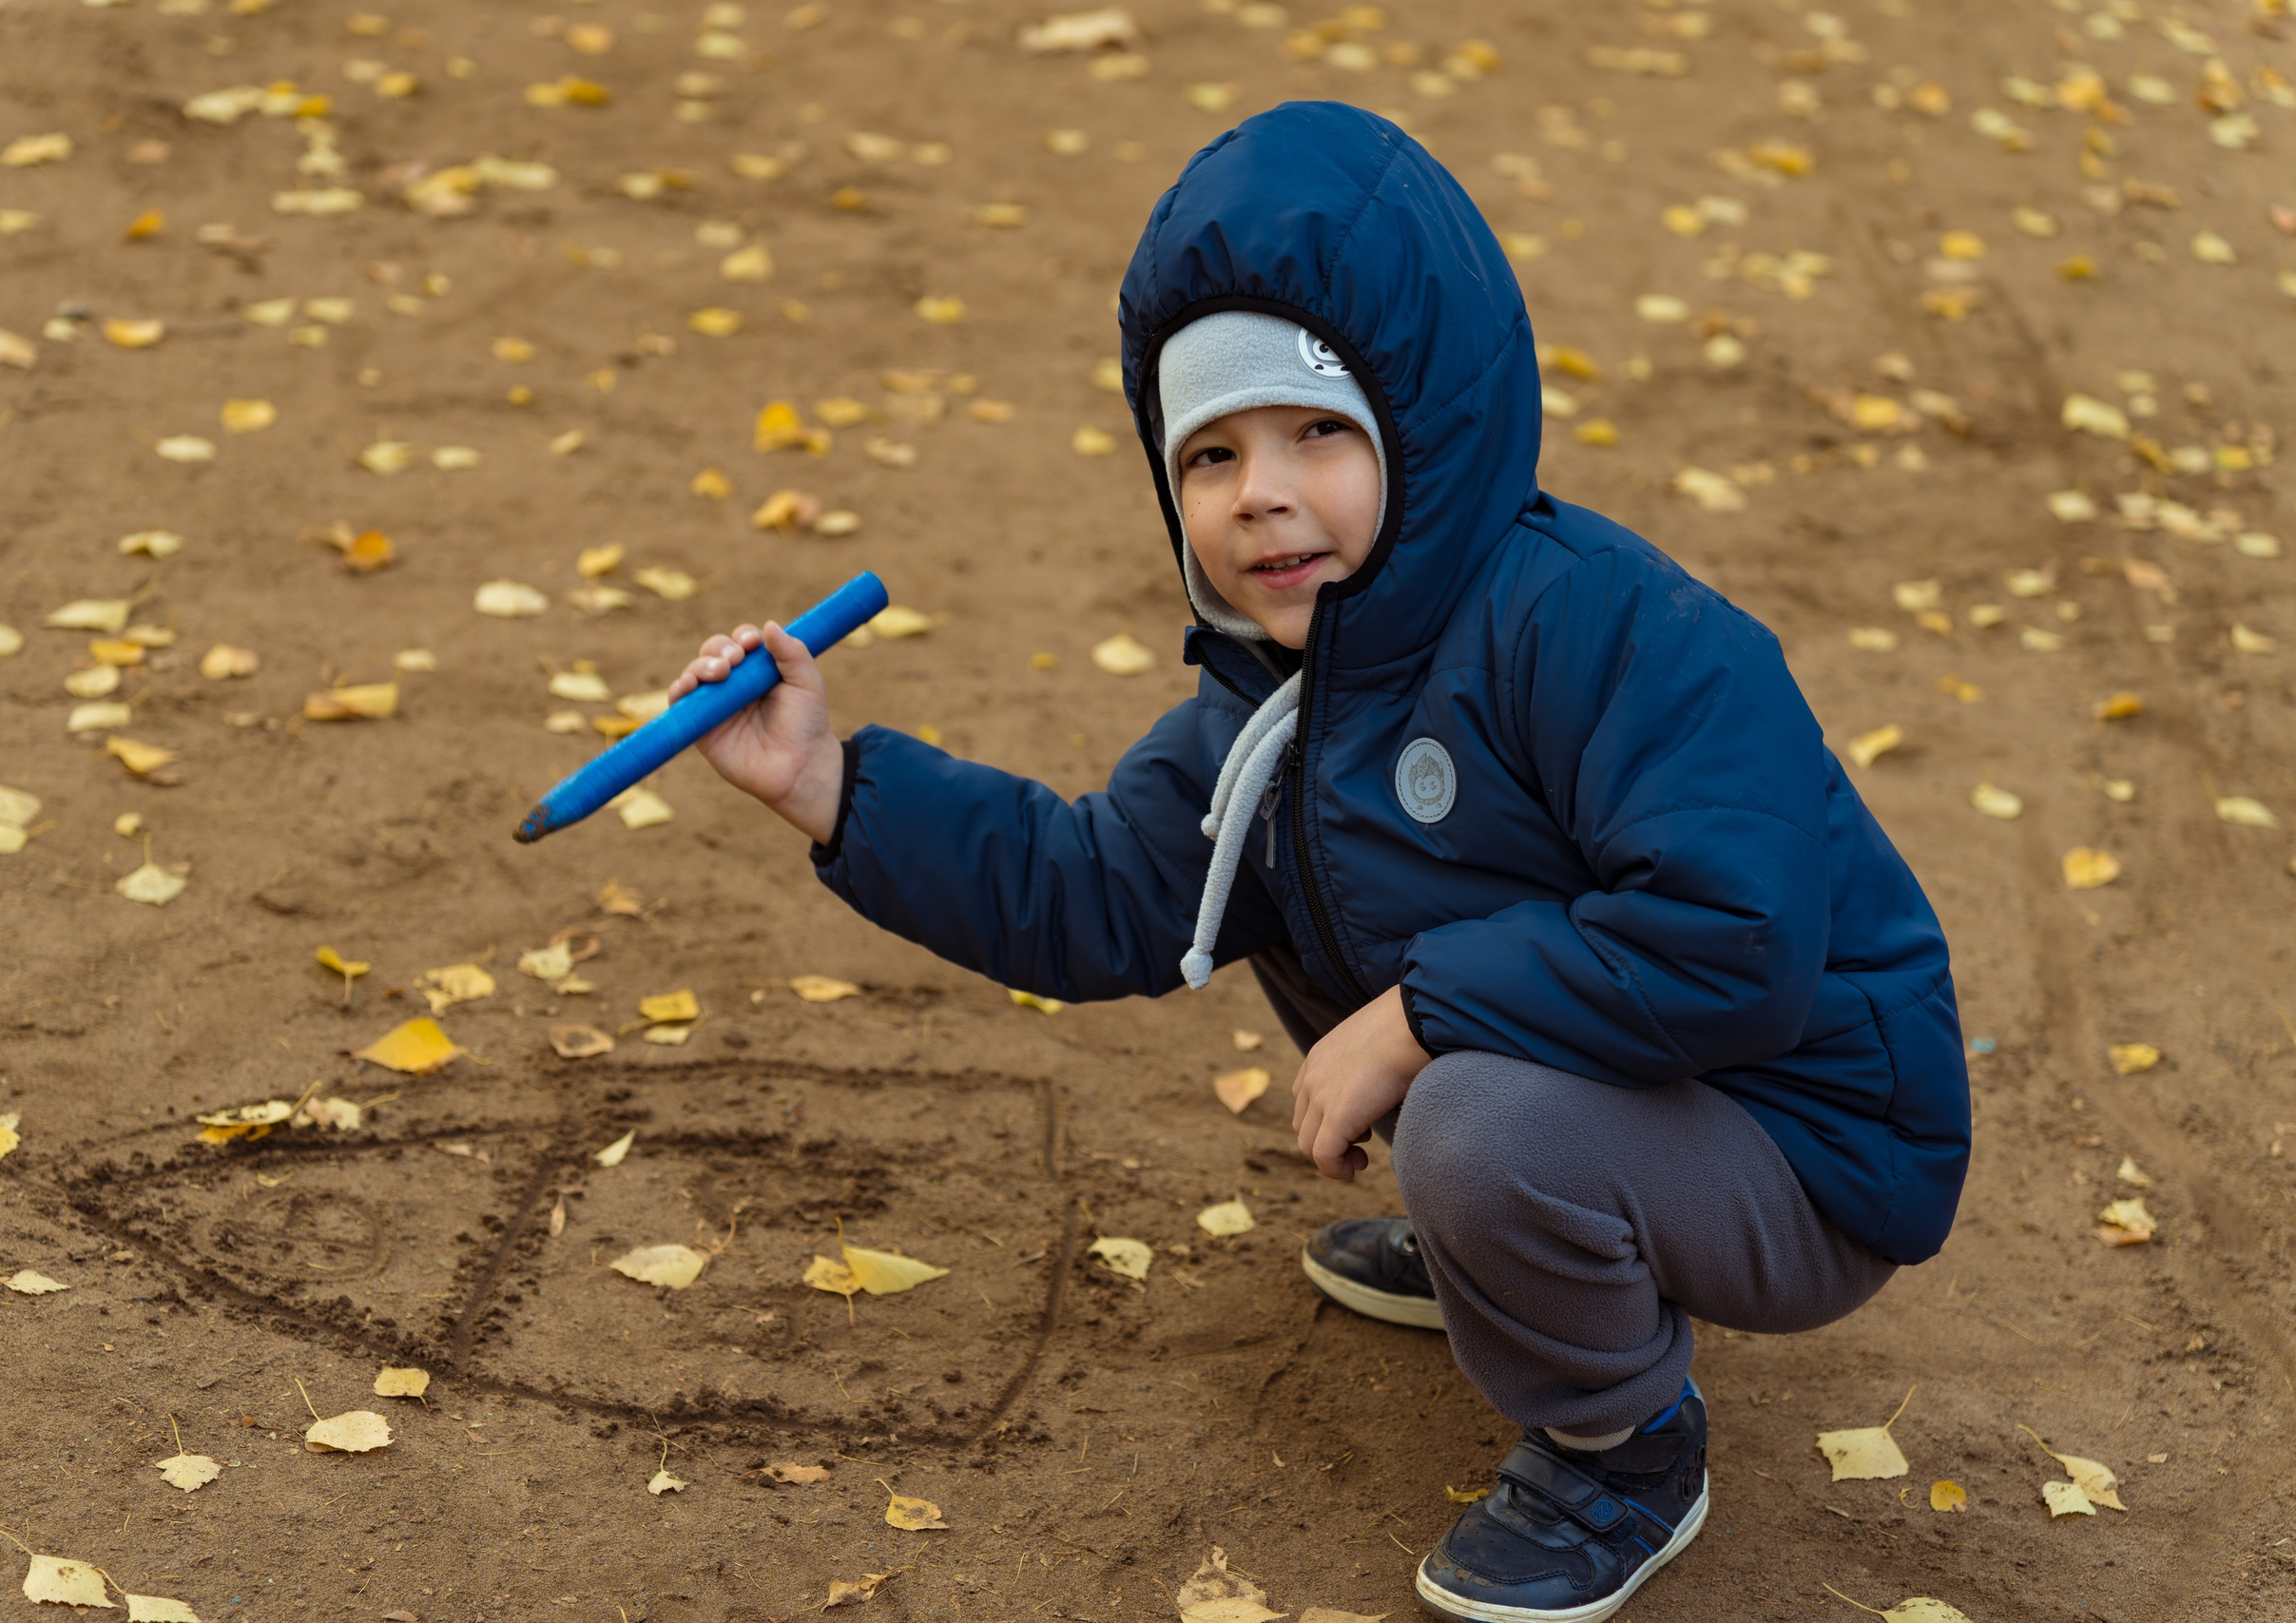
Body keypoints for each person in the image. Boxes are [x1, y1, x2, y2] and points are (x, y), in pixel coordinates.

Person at [665, 102, 1968, 1623]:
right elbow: (1093, 890)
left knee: (1468, 1120)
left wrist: (1418, 1019)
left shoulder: (1610, 628)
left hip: (1806, 1148)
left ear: (1425, 431)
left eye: (1318, 434)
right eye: (1210, 453)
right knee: (1283, 886)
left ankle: (1623, 1444)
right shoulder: (1278, 706)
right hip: (1643, 1104)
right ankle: (1525, 1254)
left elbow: (1733, 939)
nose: (1259, 492)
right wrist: (827, 786)